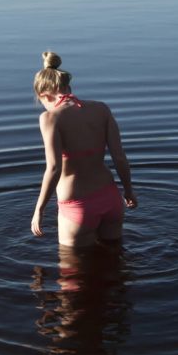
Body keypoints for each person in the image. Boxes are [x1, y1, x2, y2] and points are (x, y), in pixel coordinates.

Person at [30, 51, 137, 247]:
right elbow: (119, 158)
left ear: (43, 95)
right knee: (115, 261)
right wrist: (128, 191)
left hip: (78, 207)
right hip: (111, 198)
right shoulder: (101, 109)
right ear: (68, 87)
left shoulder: (50, 118)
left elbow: (54, 169)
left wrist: (39, 210)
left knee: (72, 273)